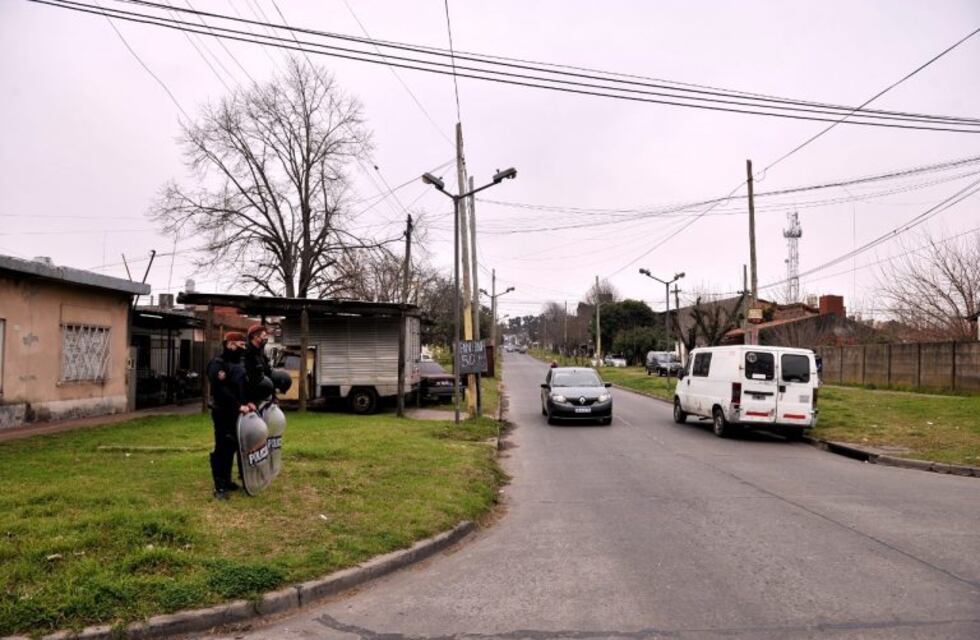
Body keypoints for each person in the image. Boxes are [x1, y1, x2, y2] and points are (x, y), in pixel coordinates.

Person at [207, 331, 254, 500]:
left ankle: (227, 480)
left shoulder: (239, 365)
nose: (243, 349)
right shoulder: (217, 364)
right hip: (223, 412)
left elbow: (241, 388)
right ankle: (219, 486)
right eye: (240, 345)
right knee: (222, 448)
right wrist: (238, 405)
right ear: (230, 344)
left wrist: (248, 402)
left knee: (233, 447)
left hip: (238, 413)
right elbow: (221, 391)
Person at [244, 324, 274, 406]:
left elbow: (267, 371)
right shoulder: (246, 353)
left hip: (261, 394)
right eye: (264, 335)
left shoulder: (260, 353)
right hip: (250, 396)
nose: (266, 338)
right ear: (255, 337)